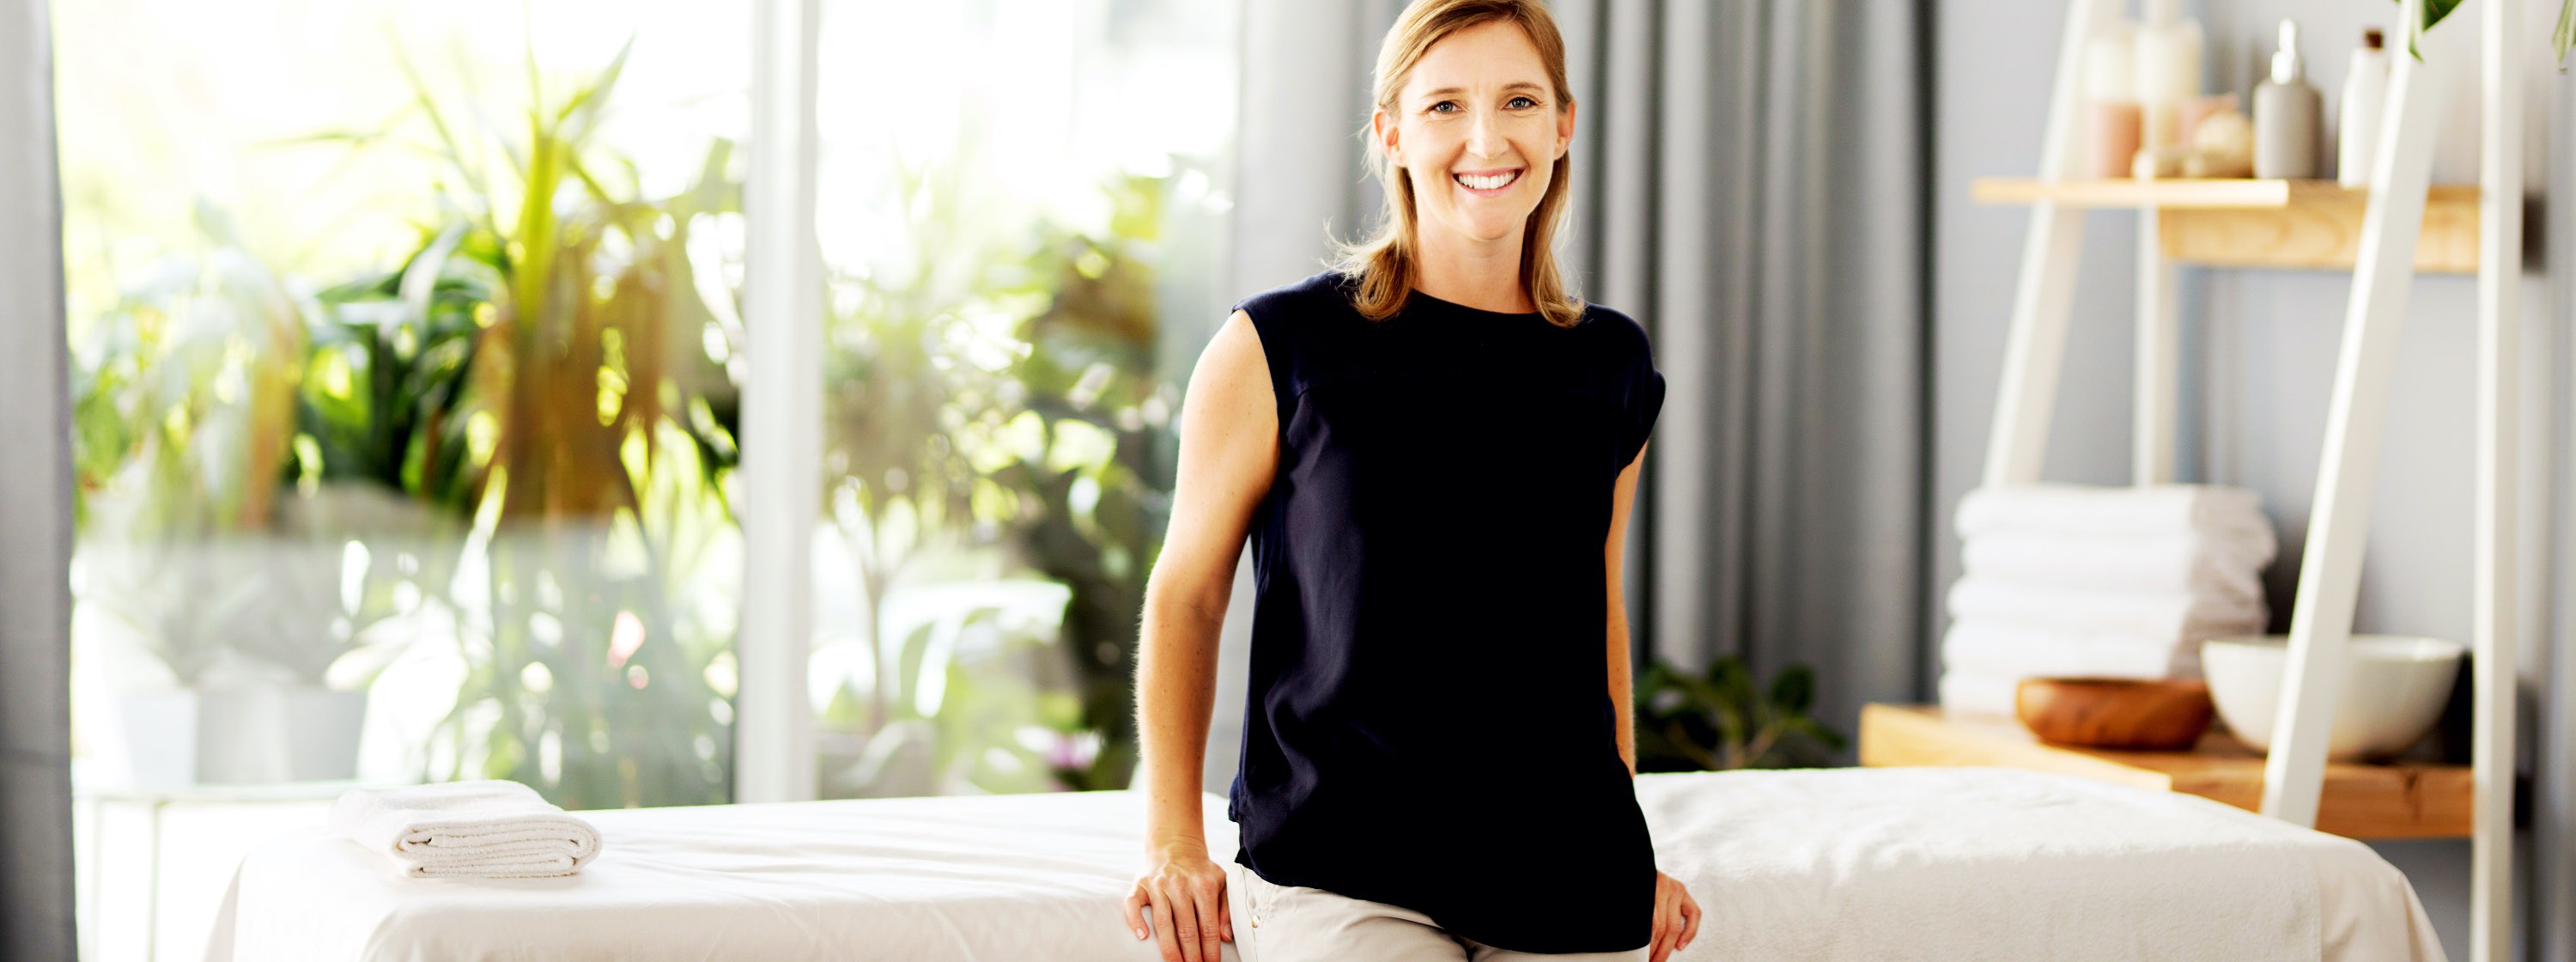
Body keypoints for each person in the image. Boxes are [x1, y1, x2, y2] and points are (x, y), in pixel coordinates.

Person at [1121, 1, 1692, 959]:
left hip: (1567, 866)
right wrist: (1174, 838)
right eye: (1443, 107)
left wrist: (1623, 834)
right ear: (1389, 132)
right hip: (1339, 864)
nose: (1485, 138)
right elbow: (1187, 592)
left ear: (1563, 125)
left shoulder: (1611, 366)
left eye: (1517, 100)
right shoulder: (1278, 348)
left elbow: (1593, 611)